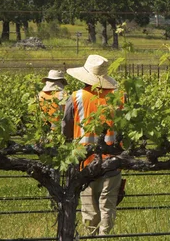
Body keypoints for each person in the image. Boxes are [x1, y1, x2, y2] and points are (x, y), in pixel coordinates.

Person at [61, 55, 122, 236]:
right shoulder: (118, 97)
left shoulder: (76, 97)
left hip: (84, 161)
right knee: (108, 205)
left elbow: (66, 127)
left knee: (89, 206)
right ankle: (105, 236)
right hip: (112, 161)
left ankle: (91, 235)